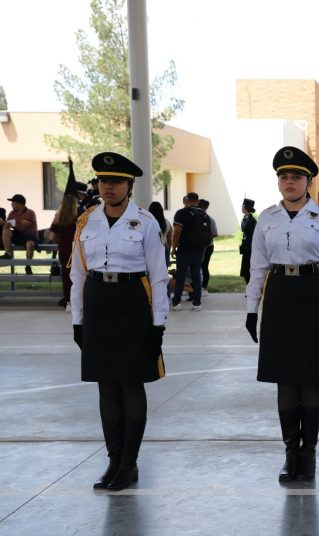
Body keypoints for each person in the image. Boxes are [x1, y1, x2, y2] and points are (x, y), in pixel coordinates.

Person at [245, 146, 319, 482]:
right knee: (285, 377)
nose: (289, 182)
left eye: (296, 177)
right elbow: (257, 267)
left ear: (308, 182)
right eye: (284, 177)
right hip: (279, 296)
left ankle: (309, 453)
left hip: (313, 294)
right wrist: (251, 308)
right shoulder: (267, 219)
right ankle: (291, 452)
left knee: (311, 376)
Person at [69, 152, 169, 491]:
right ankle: (113, 461)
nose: (107, 187)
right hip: (98, 303)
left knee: (130, 384)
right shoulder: (86, 222)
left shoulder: (146, 222)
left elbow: (158, 276)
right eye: (102, 181)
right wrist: (78, 320)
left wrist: (158, 324)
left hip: (132, 304)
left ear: (129, 185)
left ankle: (129, 464)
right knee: (106, 384)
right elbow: (77, 274)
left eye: (114, 181)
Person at [171, 192, 208, 311]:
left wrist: (173, 247)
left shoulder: (181, 213)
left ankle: (176, 302)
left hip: (184, 249)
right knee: (196, 275)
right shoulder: (204, 214)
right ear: (197, 201)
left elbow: (177, 232)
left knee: (181, 275)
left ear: (187, 200)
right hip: (199, 250)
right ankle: (197, 303)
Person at [48, 194, 79, 311]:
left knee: (66, 276)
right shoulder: (80, 216)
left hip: (63, 249)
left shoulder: (58, 218)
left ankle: (68, 303)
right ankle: (78, 302)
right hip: (77, 249)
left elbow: (51, 236)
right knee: (78, 276)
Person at [1, 194, 38, 274]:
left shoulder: (30, 213)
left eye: (13, 202)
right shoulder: (12, 213)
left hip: (29, 236)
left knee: (30, 244)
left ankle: (28, 266)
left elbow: (22, 227)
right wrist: (4, 224)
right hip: (17, 235)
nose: (11, 204)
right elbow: (7, 226)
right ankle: (8, 253)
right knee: (5, 231)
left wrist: (8, 224)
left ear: (19, 204)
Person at [198, 199, 218, 294]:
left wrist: (204, 238)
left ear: (203, 207)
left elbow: (215, 233)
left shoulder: (210, 219)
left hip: (208, 246)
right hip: (198, 246)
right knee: (197, 266)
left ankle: (204, 286)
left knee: (204, 266)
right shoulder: (196, 218)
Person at [147, 201, 172, 268]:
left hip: (150, 249)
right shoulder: (167, 222)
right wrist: (168, 249)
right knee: (163, 270)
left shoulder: (148, 221)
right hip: (163, 248)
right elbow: (169, 238)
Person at [239, 198, 256, 284]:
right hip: (246, 247)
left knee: (248, 268)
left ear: (245, 208)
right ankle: (248, 285)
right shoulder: (245, 219)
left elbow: (249, 232)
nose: (241, 208)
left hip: (250, 248)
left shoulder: (252, 220)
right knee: (245, 269)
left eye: (243, 207)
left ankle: (250, 285)